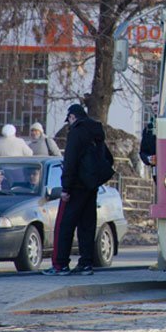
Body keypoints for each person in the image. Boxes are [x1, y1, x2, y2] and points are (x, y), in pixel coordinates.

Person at [45, 103, 104, 276]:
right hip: (91, 186)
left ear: (72, 117)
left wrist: (66, 187)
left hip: (76, 186)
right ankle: (86, 264)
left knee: (65, 225)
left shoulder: (76, 133)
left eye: (69, 120)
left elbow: (70, 162)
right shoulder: (97, 132)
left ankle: (61, 264)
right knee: (87, 225)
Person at [139, 95, 158, 172]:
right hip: (156, 171)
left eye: (157, 103)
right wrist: (149, 158)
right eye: (152, 104)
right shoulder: (148, 129)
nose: (154, 106)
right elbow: (143, 152)